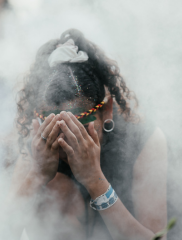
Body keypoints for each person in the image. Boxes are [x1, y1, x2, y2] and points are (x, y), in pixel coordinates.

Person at [13, 29, 167, 240]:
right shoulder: (36, 142)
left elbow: (159, 238)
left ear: (107, 110)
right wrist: (37, 176)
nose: (64, 139)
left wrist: (95, 181)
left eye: (79, 124)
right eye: (52, 125)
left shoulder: (143, 141)